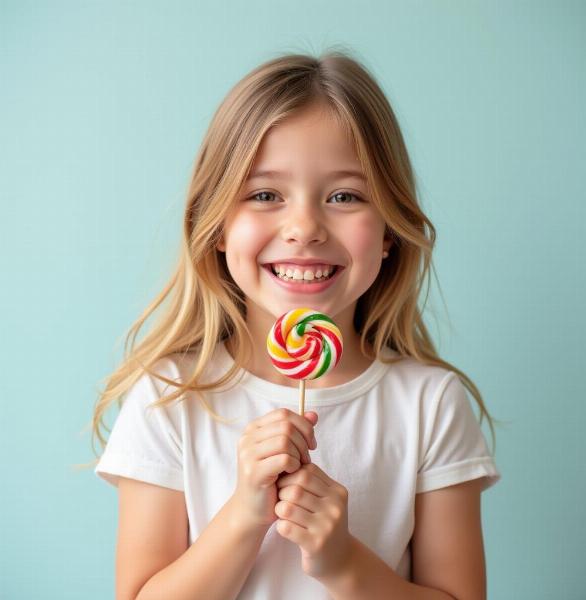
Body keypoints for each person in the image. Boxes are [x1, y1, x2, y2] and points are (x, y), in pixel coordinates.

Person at [91, 49, 502, 600]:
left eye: (344, 196)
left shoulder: (429, 405)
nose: (304, 227)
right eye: (264, 195)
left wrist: (344, 562)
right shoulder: (170, 399)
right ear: (215, 225)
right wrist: (243, 515)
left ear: (388, 232)